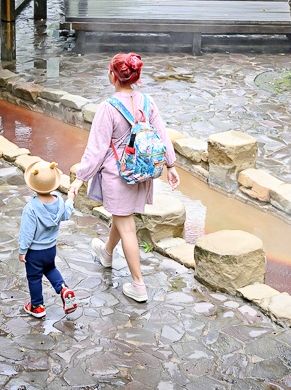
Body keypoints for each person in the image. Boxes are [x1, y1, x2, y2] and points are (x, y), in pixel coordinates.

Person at [69, 53, 180, 303]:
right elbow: (162, 135)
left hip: (118, 174)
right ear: (135, 77)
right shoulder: (148, 102)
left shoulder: (108, 108)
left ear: (112, 76)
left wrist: (79, 178)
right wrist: (171, 166)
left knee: (126, 225)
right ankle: (107, 253)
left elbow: (96, 149)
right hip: (142, 172)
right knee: (122, 216)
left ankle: (138, 285)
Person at [18, 161, 78, 318]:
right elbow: (66, 214)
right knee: (50, 269)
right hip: (50, 249)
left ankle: (37, 306)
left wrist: (22, 250)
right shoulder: (59, 201)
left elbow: (27, 232)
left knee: (34, 277)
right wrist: (70, 199)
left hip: (34, 252)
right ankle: (63, 289)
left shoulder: (31, 208)